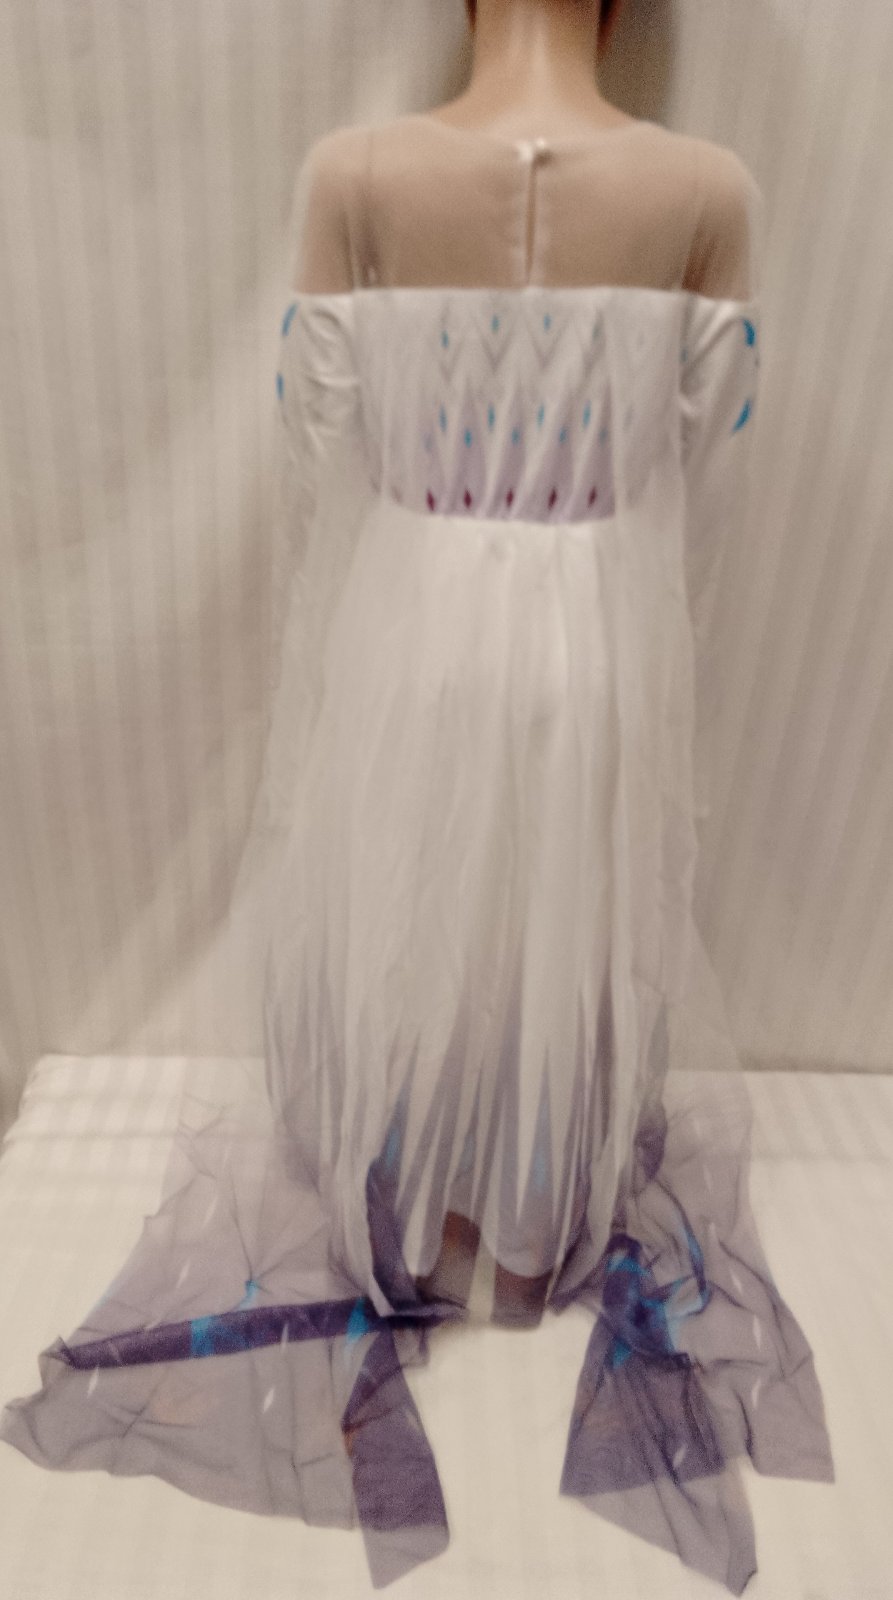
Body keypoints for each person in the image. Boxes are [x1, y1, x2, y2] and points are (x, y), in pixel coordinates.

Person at [0, 2, 835, 1592]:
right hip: (596, 626)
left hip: (411, 614)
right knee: (559, 909)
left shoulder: (358, 172)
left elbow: (316, 425)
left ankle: (424, 1209)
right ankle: (522, 1219)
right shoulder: (703, 188)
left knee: (416, 902)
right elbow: (703, 439)